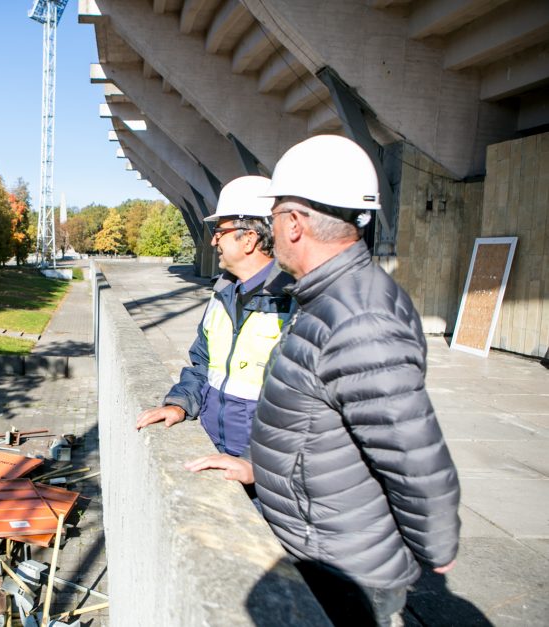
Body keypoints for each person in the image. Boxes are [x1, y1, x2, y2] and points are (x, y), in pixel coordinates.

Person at [188, 135, 461, 627]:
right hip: (319, 541)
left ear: (293, 223)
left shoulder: (358, 316)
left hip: (346, 566)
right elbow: (319, 422)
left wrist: (434, 543)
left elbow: (410, 449)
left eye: (272, 219)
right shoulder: (325, 299)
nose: (269, 233)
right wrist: (258, 469)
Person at [136, 176, 293, 468]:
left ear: (249, 238)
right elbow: (203, 365)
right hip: (216, 450)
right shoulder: (222, 294)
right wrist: (180, 404)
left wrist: (256, 462)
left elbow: (303, 406)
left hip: (266, 470)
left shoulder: (293, 302)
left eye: (220, 231)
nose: (213, 240)